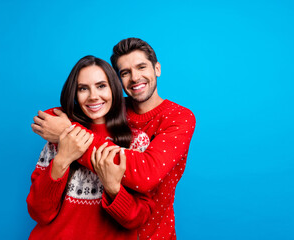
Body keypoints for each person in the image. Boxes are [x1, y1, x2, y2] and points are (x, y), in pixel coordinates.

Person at [32, 38, 196, 239]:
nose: (135, 78)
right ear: (117, 81)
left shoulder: (178, 117)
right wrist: (63, 152)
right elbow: (51, 118)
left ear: (157, 69)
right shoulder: (109, 107)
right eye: (125, 73)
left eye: (141, 67)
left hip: (153, 232)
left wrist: (69, 137)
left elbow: (146, 174)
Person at [27, 55, 154, 240]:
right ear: (75, 94)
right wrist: (62, 159)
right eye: (83, 89)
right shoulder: (58, 136)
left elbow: (138, 219)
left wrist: (112, 188)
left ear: (114, 89)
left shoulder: (136, 142)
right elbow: (39, 213)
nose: (93, 96)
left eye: (101, 86)